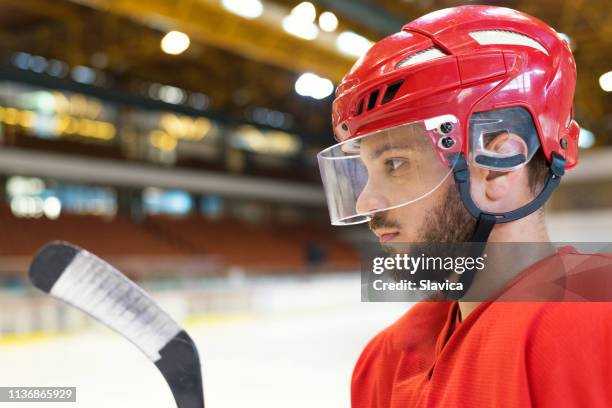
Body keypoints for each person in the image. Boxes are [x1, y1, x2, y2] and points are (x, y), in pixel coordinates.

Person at [316, 5, 612, 407]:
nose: (367, 200)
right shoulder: (383, 362)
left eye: (395, 163)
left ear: (498, 168)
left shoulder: (592, 336)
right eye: (368, 171)